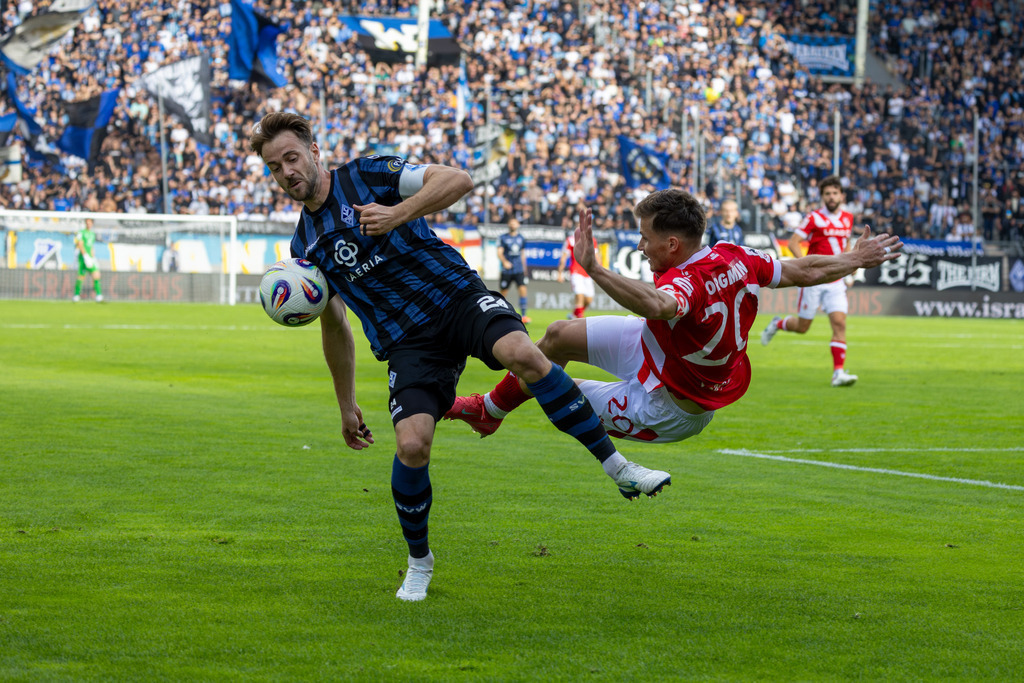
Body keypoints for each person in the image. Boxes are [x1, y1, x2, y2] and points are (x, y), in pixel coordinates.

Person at [249, 112, 669, 603]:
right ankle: (419, 562)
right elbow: (335, 324)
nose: (287, 172)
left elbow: (457, 179)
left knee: (524, 355)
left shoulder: (368, 174)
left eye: (292, 158)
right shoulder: (306, 248)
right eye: (275, 168)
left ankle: (619, 468)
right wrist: (345, 404)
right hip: (409, 345)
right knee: (411, 446)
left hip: (456, 300)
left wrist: (397, 213)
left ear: (314, 151)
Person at [444, 189, 902, 447]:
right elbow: (805, 269)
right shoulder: (734, 254)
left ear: (673, 246)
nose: (641, 247)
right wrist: (855, 258)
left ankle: (491, 409)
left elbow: (659, 306)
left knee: (553, 388)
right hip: (656, 349)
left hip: (671, 406)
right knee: (559, 334)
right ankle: (489, 411)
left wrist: (597, 268)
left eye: (645, 239)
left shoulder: (685, 285)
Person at [760, 175, 859, 387]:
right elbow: (794, 243)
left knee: (839, 323)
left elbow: (846, 244)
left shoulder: (848, 218)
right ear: (822, 197)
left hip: (836, 281)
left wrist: (849, 269)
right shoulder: (814, 218)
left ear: (841, 195)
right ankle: (778, 323)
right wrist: (806, 268)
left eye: (834, 193)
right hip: (814, 280)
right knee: (803, 326)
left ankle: (838, 373)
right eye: (827, 194)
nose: (831, 197)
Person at [557, 226, 598, 318]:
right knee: (579, 296)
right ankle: (580, 321)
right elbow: (563, 258)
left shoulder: (592, 241)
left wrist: (598, 273)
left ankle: (573, 314)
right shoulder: (571, 240)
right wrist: (560, 273)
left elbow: (596, 257)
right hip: (576, 272)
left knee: (589, 299)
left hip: (588, 273)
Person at [497, 218, 530, 323]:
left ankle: (524, 316)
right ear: (508, 225)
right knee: (503, 293)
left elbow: (522, 254)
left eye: (514, 223)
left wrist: (525, 268)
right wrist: (504, 262)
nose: (512, 225)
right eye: (511, 223)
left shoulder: (521, 238)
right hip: (507, 271)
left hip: (519, 270)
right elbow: (499, 252)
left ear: (518, 225)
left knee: (523, 290)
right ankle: (498, 313)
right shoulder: (503, 238)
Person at [73, 218, 103, 302]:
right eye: (87, 223)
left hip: (90, 258)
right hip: (83, 258)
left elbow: (91, 246)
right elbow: (80, 244)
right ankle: (76, 295)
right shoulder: (81, 232)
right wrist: (85, 256)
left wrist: (93, 258)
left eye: (90, 223)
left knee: (96, 275)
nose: (88, 224)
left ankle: (99, 295)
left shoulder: (92, 234)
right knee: (81, 277)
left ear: (92, 224)